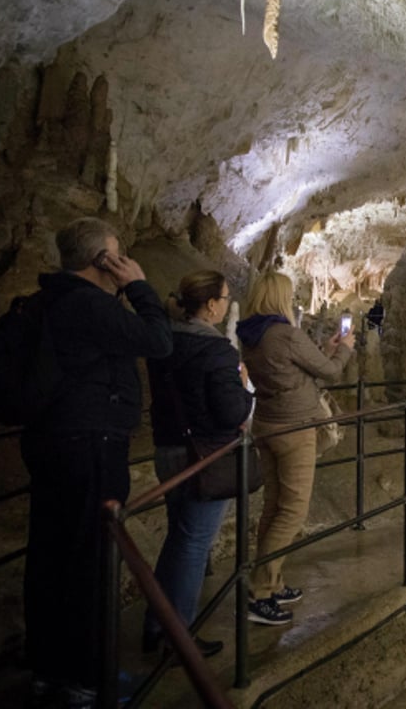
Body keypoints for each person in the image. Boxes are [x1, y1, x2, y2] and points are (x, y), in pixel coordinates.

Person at [21, 217, 172, 708]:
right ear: (102, 261)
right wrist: (141, 286)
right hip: (91, 445)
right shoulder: (88, 304)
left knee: (49, 556)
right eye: (117, 254)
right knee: (89, 562)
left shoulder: (49, 300)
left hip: (52, 442)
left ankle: (48, 670)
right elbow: (158, 341)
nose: (123, 261)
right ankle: (86, 680)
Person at [142, 271, 253, 659]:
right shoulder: (218, 351)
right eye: (224, 298)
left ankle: (157, 626)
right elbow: (230, 412)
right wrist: (244, 390)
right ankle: (179, 639)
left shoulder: (165, 341)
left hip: (168, 450)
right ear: (210, 305)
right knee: (193, 545)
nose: (225, 304)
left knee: (178, 539)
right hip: (205, 458)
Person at [237, 272, 354, 625]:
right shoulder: (286, 334)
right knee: (292, 513)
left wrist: (327, 348)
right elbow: (330, 372)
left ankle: (272, 582)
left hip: (268, 425)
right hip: (295, 428)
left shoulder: (249, 335)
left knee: (274, 508)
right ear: (279, 298)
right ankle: (260, 592)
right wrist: (344, 351)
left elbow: (297, 370)